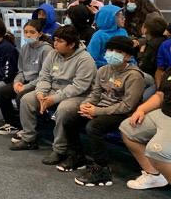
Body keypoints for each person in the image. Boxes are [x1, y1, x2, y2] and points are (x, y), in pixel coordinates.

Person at [56, 36, 145, 185]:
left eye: (118, 52)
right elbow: (95, 93)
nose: (112, 54)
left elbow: (127, 105)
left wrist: (96, 111)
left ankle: (102, 169)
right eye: (110, 50)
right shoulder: (103, 70)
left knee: (94, 127)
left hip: (123, 114)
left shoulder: (134, 76)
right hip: (101, 108)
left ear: (128, 56)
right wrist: (85, 105)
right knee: (70, 118)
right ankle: (77, 156)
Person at [11, 26, 97, 166]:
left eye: (60, 41)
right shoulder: (53, 54)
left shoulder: (85, 60)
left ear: (71, 44)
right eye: (55, 40)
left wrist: (54, 99)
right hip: (52, 90)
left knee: (64, 108)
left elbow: (78, 87)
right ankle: (29, 139)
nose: (55, 44)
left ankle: (59, 150)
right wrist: (40, 93)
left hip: (78, 95)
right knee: (27, 99)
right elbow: (44, 77)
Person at [120, 67, 171, 199]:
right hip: (164, 113)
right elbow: (160, 95)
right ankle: (155, 175)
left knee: (157, 150)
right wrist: (141, 110)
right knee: (128, 128)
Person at [0, 20, 52, 136]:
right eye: (25, 32)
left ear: (40, 34)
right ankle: (12, 123)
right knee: (2, 92)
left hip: (39, 83)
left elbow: (45, 76)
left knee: (21, 96)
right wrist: (17, 82)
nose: (28, 35)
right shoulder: (24, 47)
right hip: (25, 80)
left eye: (32, 32)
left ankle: (26, 127)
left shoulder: (47, 50)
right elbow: (21, 70)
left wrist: (25, 87)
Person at [138, 16, 167, 101]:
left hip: (153, 77)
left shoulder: (152, 45)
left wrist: (141, 53)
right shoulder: (165, 41)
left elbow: (145, 66)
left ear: (146, 29)